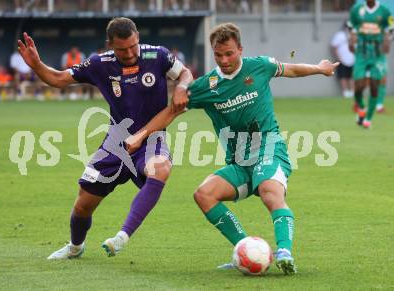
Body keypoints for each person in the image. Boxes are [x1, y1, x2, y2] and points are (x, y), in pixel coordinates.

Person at [125, 23, 338, 275]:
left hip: (269, 149)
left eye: (229, 53)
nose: (224, 60)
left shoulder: (259, 66)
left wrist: (320, 69)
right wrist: (140, 135)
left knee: (270, 191)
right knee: (204, 195)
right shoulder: (206, 86)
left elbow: (290, 69)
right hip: (239, 161)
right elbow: (171, 112)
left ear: (240, 49)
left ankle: (284, 252)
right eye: (218, 55)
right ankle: (245, 249)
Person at [17, 17, 193, 259]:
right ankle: (75, 247)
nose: (130, 53)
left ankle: (122, 236)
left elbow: (185, 74)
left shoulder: (158, 56)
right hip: (116, 143)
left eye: (133, 46)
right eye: (122, 49)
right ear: (110, 44)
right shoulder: (100, 64)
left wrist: (182, 87)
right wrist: (37, 65)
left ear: (138, 37)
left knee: (160, 169)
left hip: (151, 138)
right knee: (83, 204)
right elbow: (58, 79)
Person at [348, 0, 392, 128]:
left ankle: (368, 118)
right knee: (358, 85)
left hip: (377, 52)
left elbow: (390, 28)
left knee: (374, 85)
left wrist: (388, 41)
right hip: (361, 51)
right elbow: (351, 26)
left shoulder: (384, 11)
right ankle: (361, 107)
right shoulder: (357, 10)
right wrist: (351, 40)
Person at [330, 22, 355, 98]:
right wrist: (338, 58)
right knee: (342, 77)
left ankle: (352, 92)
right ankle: (345, 92)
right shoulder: (339, 35)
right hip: (342, 60)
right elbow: (334, 47)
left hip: (352, 60)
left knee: (352, 77)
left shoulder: (354, 36)